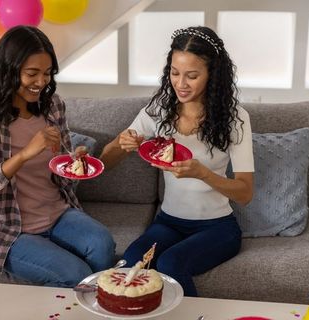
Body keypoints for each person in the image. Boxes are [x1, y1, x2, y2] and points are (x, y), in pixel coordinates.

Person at [99, 26, 254, 296]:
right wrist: (122, 143)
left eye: (192, 76)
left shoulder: (235, 118)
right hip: (168, 222)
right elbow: (106, 162)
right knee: (128, 263)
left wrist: (203, 173)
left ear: (212, 75)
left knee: (170, 263)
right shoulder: (159, 110)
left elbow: (245, 192)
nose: (180, 83)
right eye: (174, 72)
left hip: (217, 227)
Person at [0, 25, 115, 287]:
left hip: (57, 212)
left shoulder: (53, 107)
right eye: (32, 73)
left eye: (47, 74)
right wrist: (25, 154)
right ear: (8, 70)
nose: (41, 82)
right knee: (75, 275)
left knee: (102, 244)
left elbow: (61, 164)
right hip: (9, 229)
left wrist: (75, 161)